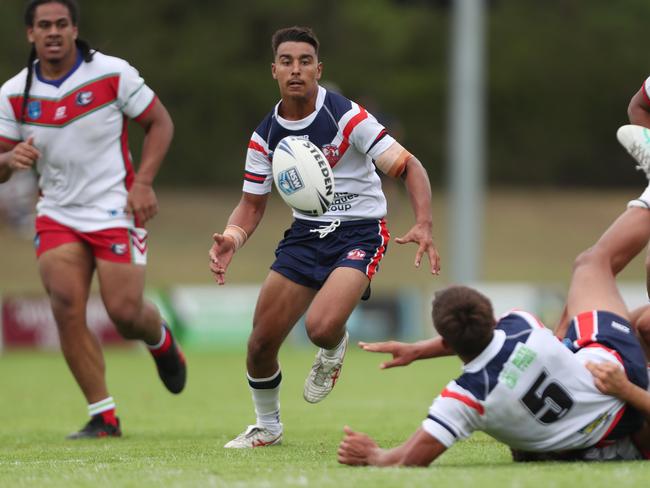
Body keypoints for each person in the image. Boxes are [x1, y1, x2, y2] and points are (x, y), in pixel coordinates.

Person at [337, 129, 650, 466]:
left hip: (591, 429)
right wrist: (626, 390)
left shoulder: (464, 396)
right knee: (592, 265)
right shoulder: (520, 324)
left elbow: (407, 459)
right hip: (618, 380)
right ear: (491, 314)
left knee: (637, 323)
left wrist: (372, 455)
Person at [208, 26, 441, 449]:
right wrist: (232, 237)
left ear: (318, 69)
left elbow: (409, 166)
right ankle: (267, 427)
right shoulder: (265, 136)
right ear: (274, 70)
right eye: (286, 61)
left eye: (304, 61)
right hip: (305, 235)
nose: (295, 69)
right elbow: (252, 205)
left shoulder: (346, 116)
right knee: (260, 342)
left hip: (361, 231)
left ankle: (333, 346)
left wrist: (423, 222)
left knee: (320, 328)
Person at [0, 0, 185, 438]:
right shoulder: (13, 93)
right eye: (43, 25)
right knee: (66, 304)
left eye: (61, 24)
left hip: (115, 207)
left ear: (74, 29)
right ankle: (103, 416)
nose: (52, 32)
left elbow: (160, 123)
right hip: (57, 213)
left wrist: (143, 183)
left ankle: (159, 338)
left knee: (123, 313)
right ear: (30, 34)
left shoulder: (112, 73)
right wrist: (9, 158)